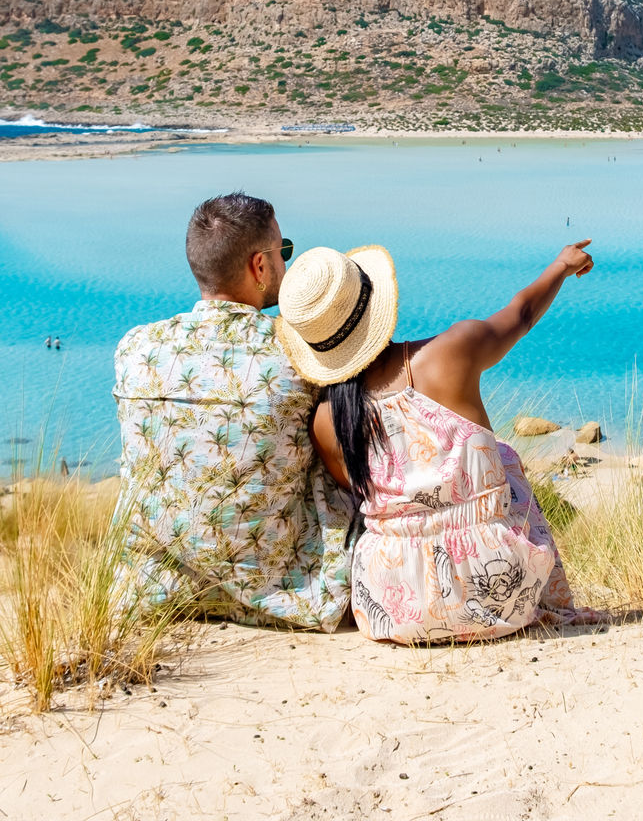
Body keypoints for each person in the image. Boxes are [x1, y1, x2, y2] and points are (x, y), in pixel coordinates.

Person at [276, 239, 607, 644]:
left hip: (391, 606)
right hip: (499, 590)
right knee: (503, 458)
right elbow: (520, 314)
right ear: (376, 301)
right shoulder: (451, 352)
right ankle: (549, 602)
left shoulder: (327, 420)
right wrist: (561, 265)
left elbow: (354, 491)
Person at [112, 193, 351, 630]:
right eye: (285, 252)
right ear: (260, 266)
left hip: (156, 590)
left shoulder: (135, 348)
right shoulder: (295, 351)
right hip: (285, 589)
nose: (287, 265)